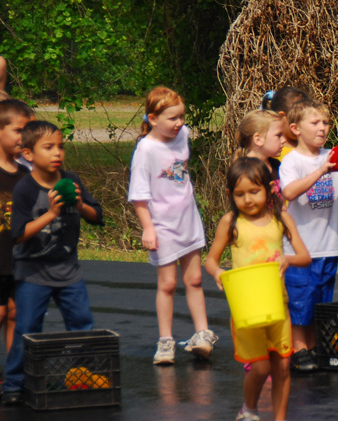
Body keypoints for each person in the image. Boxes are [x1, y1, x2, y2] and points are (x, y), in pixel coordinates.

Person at [206, 157, 310, 421]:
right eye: (239, 194)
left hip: (277, 305)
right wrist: (219, 273)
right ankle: (248, 413)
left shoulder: (281, 218)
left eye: (254, 192)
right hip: (247, 307)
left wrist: (287, 258)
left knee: (283, 366)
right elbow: (210, 260)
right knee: (261, 368)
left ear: (268, 190)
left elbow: (304, 256)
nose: (248, 199)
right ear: (230, 195)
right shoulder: (231, 222)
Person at [2, 120, 104, 404]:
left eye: (60, 146)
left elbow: (97, 216)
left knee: (82, 323)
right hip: (32, 272)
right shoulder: (24, 189)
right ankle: (14, 383)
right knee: (27, 327)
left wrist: (81, 204)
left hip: (68, 271)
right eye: (48, 147)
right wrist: (52, 212)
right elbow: (18, 234)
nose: (57, 152)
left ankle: (80, 373)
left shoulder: (71, 180)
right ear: (28, 154)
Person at [128, 87, 215, 364]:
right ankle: (166, 341)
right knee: (167, 284)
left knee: (195, 279)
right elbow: (139, 195)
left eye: (181, 117)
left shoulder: (184, 135)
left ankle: (202, 334)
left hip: (188, 220)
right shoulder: (146, 150)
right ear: (153, 119)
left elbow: (180, 173)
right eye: (172, 118)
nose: (179, 123)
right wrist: (148, 228)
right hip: (162, 226)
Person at [278, 97, 338, 371]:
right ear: (295, 129)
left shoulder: (330, 156)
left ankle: (315, 347)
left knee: (320, 301)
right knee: (301, 299)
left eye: (326, 123)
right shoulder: (292, 161)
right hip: (299, 250)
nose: (322, 128)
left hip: (328, 245)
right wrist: (321, 170)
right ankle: (298, 348)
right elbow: (289, 192)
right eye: (315, 122)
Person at [0, 99, 34, 353]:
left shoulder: (25, 175)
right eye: (19, 130)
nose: (25, 138)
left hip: (17, 259)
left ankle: (13, 375)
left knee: (14, 313)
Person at [237, 109, 288, 199]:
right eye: (278, 135)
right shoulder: (244, 170)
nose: (284, 140)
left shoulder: (276, 165)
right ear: (258, 139)